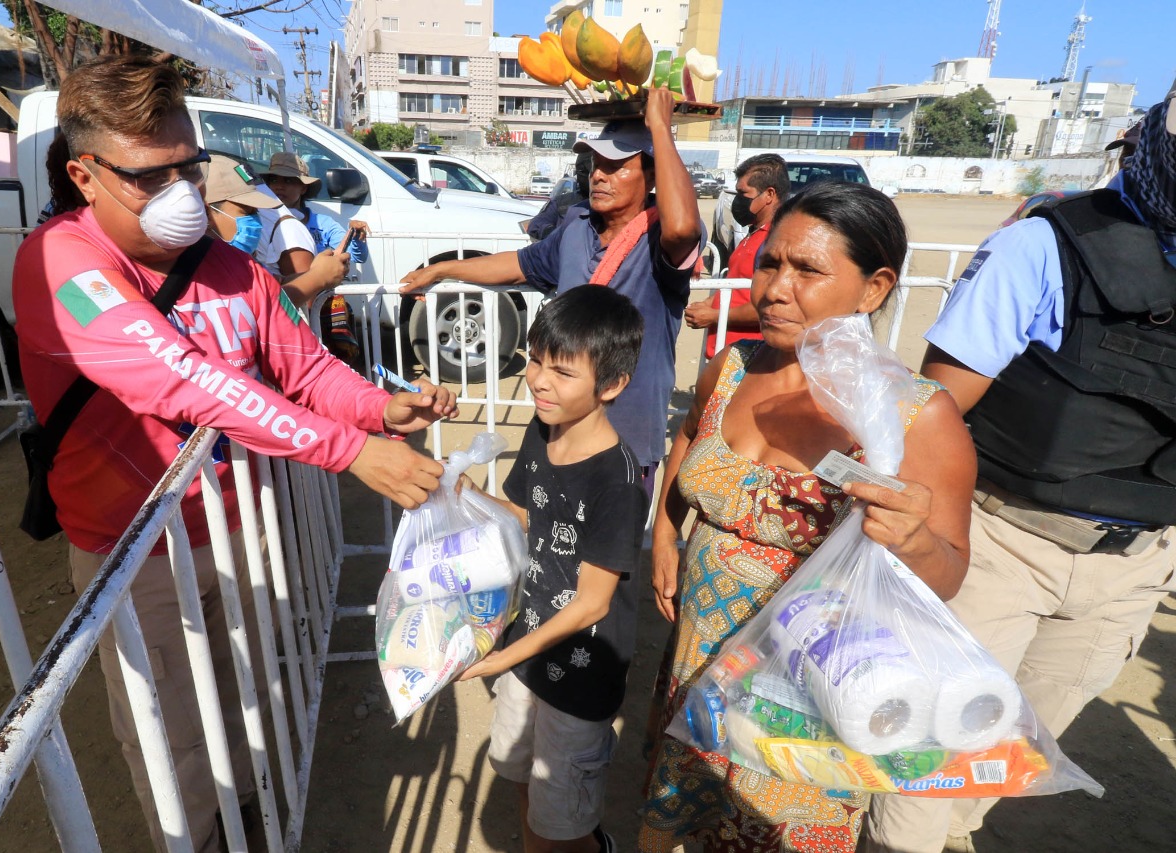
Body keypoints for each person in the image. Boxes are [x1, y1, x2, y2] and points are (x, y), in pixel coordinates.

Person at [13, 54, 457, 852]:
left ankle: (249, 819)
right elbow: (185, 380)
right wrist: (351, 452)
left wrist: (380, 405)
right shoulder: (60, 264)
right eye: (151, 176)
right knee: (172, 737)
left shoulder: (229, 268)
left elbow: (306, 367)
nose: (181, 192)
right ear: (85, 175)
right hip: (135, 551)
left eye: (189, 166)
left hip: (238, 527)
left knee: (248, 699)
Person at [864, 88, 1176, 853]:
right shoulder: (1043, 247)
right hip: (1002, 549)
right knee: (919, 781)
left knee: (992, 768)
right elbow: (934, 408)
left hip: (1130, 572)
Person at [638, 182, 977, 853]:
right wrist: (667, 533)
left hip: (799, 705)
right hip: (695, 670)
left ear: (874, 288)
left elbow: (949, 571)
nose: (774, 289)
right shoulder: (730, 370)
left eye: (808, 270)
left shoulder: (914, 416)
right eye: (770, 263)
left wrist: (912, 538)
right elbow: (687, 445)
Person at [401, 90, 704, 494]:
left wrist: (661, 128)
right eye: (597, 163)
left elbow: (684, 226)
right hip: (558, 427)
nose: (599, 174)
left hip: (625, 437)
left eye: (616, 166)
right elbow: (516, 266)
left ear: (651, 177)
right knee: (538, 538)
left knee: (604, 554)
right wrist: (440, 269)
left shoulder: (661, 240)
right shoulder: (577, 225)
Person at [457, 285, 649, 853]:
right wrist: (461, 494)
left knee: (558, 823)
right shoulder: (543, 430)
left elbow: (592, 604)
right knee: (523, 784)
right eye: (537, 360)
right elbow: (520, 514)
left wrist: (498, 659)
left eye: (562, 372)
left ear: (611, 385)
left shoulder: (617, 484)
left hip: (577, 678)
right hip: (526, 649)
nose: (540, 380)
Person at [203, 153, 350, 309]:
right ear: (206, 213)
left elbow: (271, 285)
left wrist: (319, 272)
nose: (255, 221)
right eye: (246, 212)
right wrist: (317, 277)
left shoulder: (236, 260)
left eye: (256, 212)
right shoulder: (192, 268)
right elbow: (263, 309)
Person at [261, 150, 367, 362]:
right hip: (282, 306)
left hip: (317, 304)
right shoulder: (261, 219)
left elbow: (355, 255)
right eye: (274, 179)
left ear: (303, 187)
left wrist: (355, 235)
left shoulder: (323, 223)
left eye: (289, 180)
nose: (279, 186)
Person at [683, 153, 789, 359]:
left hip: (745, 359)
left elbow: (768, 306)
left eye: (743, 193)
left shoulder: (774, 241)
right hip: (726, 354)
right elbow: (741, 288)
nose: (737, 201)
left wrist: (714, 315)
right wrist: (712, 302)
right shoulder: (754, 233)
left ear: (769, 195)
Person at [527, 150, 593, 241]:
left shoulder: (613, 203)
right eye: (584, 172)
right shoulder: (561, 203)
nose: (597, 177)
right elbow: (536, 225)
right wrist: (558, 235)